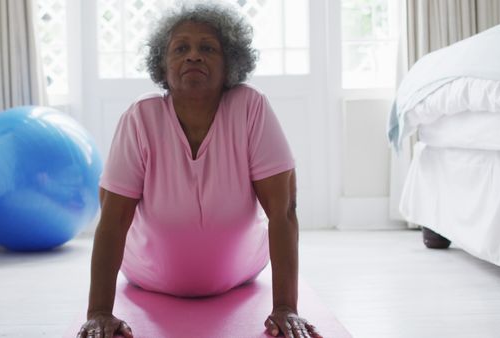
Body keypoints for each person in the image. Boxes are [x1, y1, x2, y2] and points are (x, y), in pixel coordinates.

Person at [78, 2, 320, 338]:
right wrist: (99, 312)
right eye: (181, 48)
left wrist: (285, 308)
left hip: (238, 272)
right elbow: (114, 219)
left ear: (230, 63)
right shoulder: (141, 117)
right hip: (150, 275)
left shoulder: (251, 107)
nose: (193, 56)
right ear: (163, 64)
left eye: (207, 48)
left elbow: (283, 212)